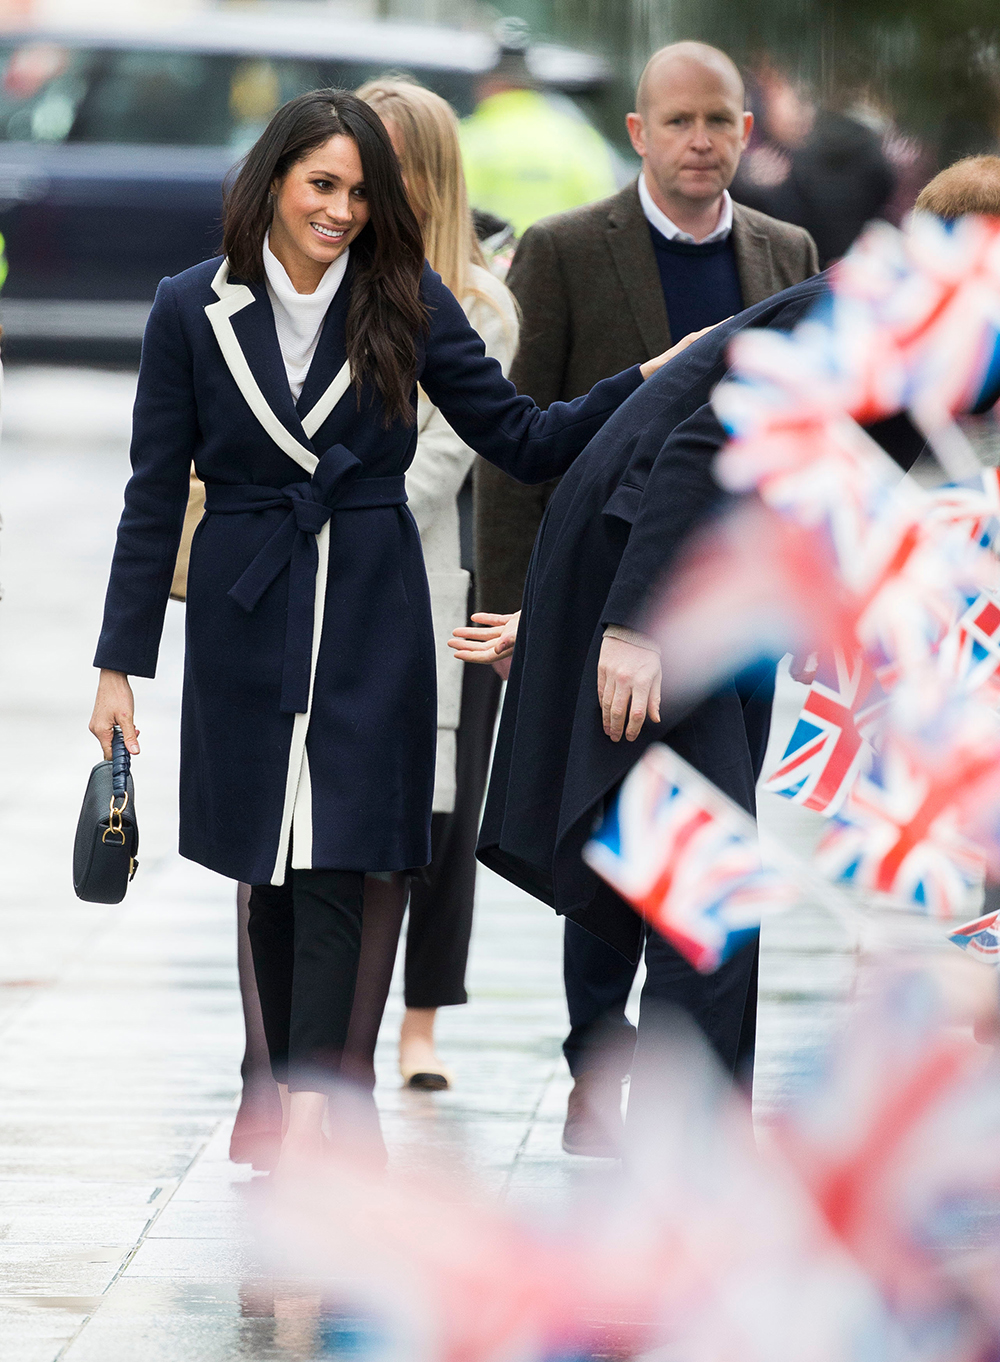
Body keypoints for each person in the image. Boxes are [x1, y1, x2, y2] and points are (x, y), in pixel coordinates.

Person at [88, 88, 684, 1167]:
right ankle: (284, 1087)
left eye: (362, 193)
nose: (342, 211)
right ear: (272, 180)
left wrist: (640, 385)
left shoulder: (403, 294)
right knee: (261, 863)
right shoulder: (190, 305)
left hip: (372, 608)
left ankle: (314, 1110)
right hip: (246, 609)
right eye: (323, 184)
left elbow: (525, 436)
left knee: (338, 857)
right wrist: (119, 666)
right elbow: (148, 491)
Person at [464, 152, 1000, 1153]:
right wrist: (621, 625)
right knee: (704, 875)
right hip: (648, 565)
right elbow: (700, 450)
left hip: (657, 565)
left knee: (668, 850)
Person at [473, 39, 819, 1157]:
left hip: (733, 609)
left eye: (719, 121)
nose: (700, 142)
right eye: (678, 122)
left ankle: (681, 1113)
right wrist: (549, 610)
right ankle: (601, 1061)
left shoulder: (784, 250)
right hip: (619, 592)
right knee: (618, 838)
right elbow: (529, 450)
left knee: (677, 842)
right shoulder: (572, 249)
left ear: (744, 132)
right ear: (638, 132)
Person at [458, 23, 618, 238]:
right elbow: (602, 207)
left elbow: (454, 209)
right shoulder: (576, 137)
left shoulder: (470, 138)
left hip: (492, 262)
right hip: (558, 262)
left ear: (490, 85)